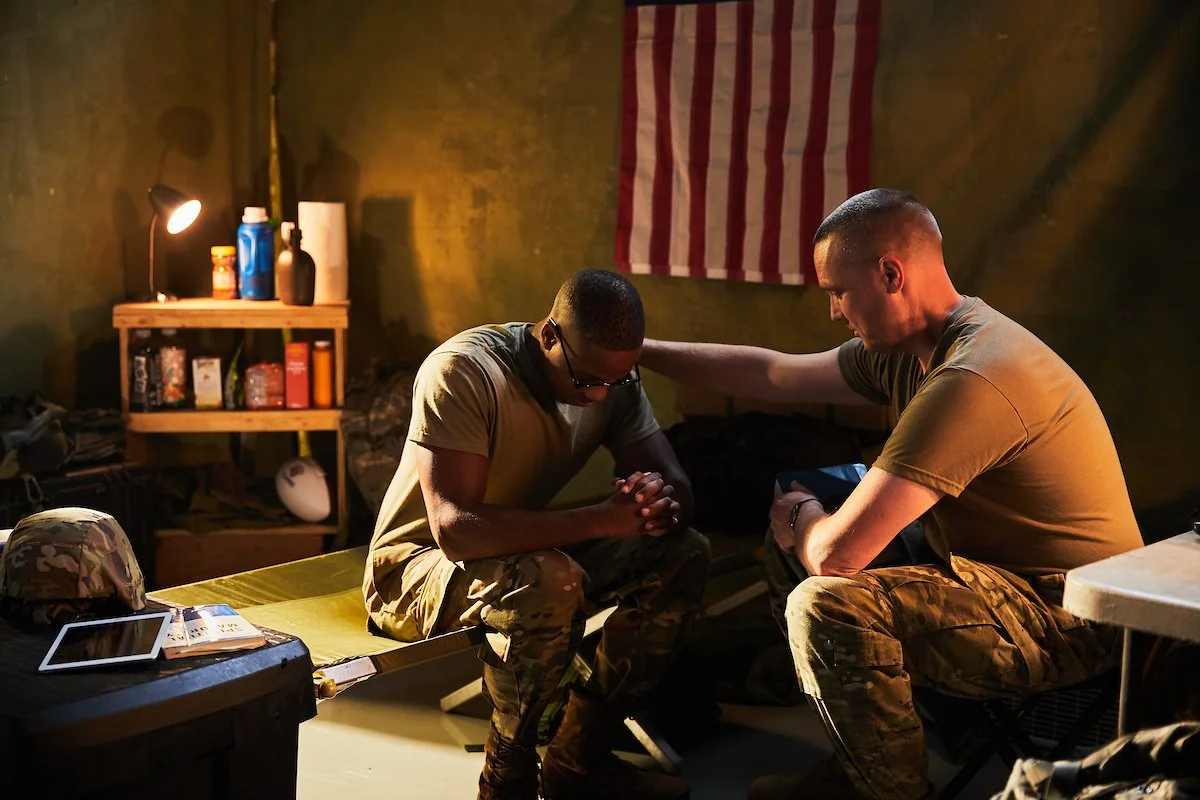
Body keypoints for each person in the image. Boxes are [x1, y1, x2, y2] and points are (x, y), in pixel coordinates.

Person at [638, 189, 1143, 800]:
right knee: (798, 525)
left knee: (824, 599)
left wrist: (804, 517)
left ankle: (892, 794)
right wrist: (638, 353)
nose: (833, 312)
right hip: (985, 573)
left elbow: (835, 559)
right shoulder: (915, 350)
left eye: (837, 291)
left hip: (1065, 614)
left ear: (889, 274)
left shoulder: (973, 374)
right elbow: (772, 374)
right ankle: (860, 769)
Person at [363, 268, 709, 800]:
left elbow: (679, 492)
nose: (598, 396)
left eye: (615, 381)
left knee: (682, 553)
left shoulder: (610, 378)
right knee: (551, 579)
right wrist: (601, 517)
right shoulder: (463, 371)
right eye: (587, 380)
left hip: (517, 549)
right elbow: (454, 530)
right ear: (549, 335)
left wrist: (656, 503)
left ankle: (579, 758)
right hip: (413, 571)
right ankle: (508, 775)